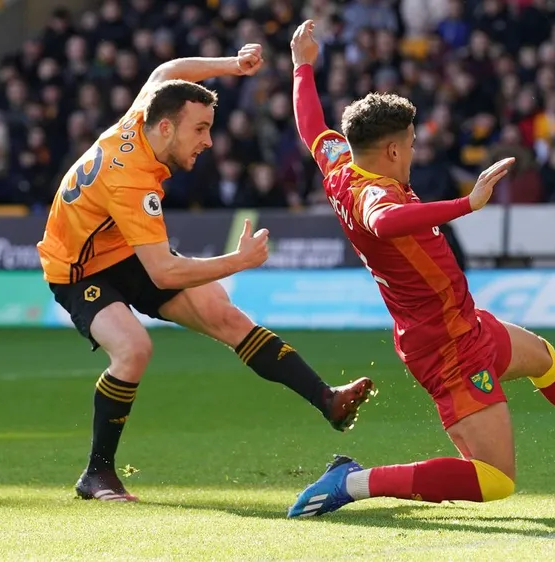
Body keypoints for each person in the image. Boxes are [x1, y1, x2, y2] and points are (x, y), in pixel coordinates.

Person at [285, 21, 555, 518]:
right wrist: (467, 203)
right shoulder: (374, 193)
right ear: (394, 150)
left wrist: (302, 67)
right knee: (494, 480)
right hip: (447, 347)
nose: (414, 152)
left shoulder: (342, 166)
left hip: (461, 322)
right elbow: (384, 221)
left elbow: (312, 127)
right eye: (412, 143)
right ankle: (353, 482)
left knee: (543, 359)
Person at [37, 43, 375, 503]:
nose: (209, 141)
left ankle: (326, 399)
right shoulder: (130, 180)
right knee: (133, 349)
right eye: (200, 129)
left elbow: (169, 68)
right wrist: (239, 261)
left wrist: (231, 66)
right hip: (76, 267)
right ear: (166, 127)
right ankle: (97, 474)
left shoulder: (147, 113)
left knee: (224, 313)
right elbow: (162, 272)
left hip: (120, 244)